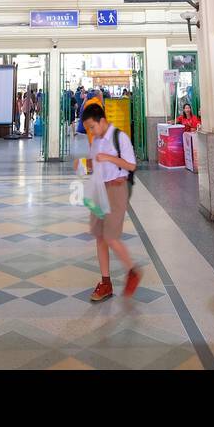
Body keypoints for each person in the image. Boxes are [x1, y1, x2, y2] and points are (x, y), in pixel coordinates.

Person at [81, 104, 141, 302]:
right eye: (88, 129)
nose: (90, 131)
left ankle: (133, 271)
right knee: (99, 236)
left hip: (116, 190)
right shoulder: (96, 140)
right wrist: (86, 164)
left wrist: (109, 158)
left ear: (102, 121)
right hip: (99, 190)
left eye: (91, 127)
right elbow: (95, 164)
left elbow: (131, 164)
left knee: (111, 237)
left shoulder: (119, 137)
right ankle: (105, 282)